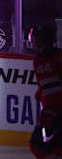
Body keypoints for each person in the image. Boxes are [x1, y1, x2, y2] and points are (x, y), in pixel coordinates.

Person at [28, 23, 62, 158]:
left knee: (37, 146)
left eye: (33, 39)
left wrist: (50, 112)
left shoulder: (41, 60)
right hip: (53, 110)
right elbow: (49, 85)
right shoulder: (57, 54)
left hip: (54, 110)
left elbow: (52, 89)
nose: (31, 41)